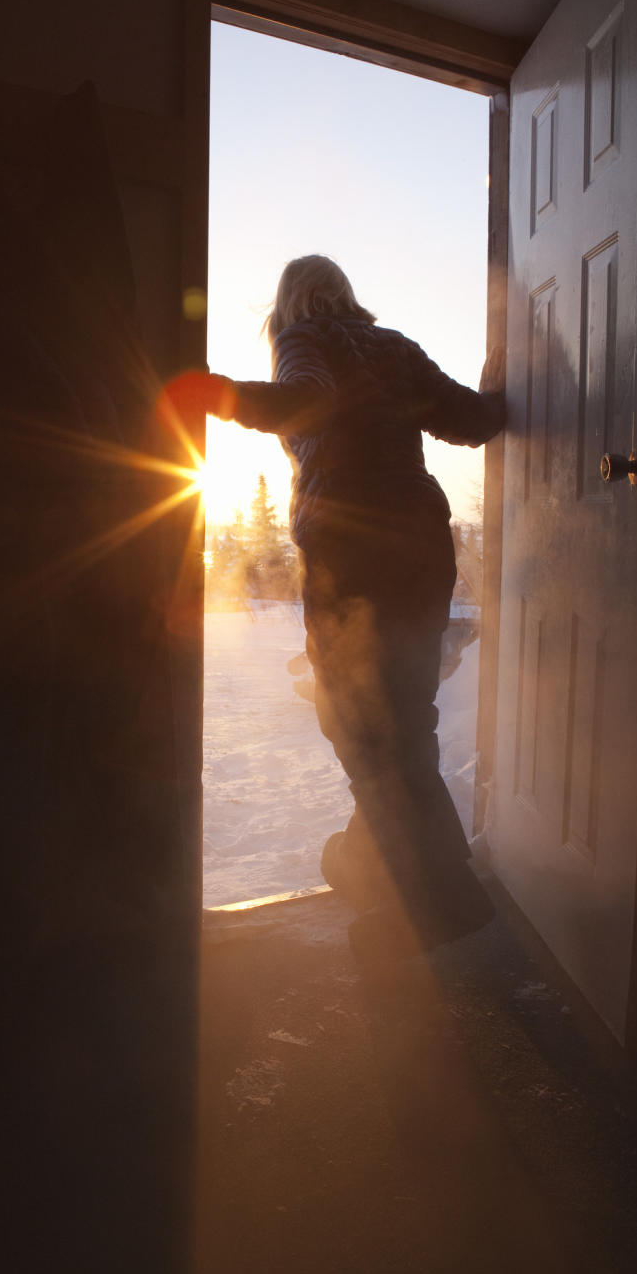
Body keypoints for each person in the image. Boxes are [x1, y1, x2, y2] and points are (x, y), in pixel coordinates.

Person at [168, 254, 505, 959]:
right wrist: (504, 368)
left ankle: (438, 900)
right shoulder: (396, 348)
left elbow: (304, 403)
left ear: (290, 303)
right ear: (346, 293)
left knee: (359, 725)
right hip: (418, 550)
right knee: (404, 721)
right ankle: (367, 867)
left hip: (354, 557)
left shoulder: (305, 339)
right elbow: (474, 420)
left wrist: (215, 392)